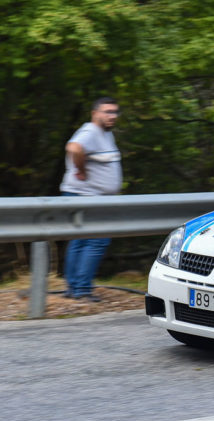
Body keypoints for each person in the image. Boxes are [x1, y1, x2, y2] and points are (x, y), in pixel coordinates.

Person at [60, 97, 123, 302]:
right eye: (107, 112)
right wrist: (80, 169)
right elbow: (74, 148)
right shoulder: (91, 131)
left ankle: (73, 288)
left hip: (87, 196)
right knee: (97, 241)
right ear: (95, 113)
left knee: (80, 241)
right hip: (87, 196)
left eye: (114, 112)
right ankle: (82, 290)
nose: (112, 116)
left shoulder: (106, 134)